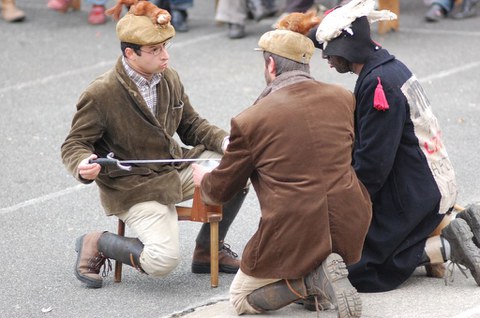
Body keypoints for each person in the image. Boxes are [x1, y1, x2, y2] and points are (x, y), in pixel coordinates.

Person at [192, 12, 372, 317]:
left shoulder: (251, 119)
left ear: (271, 65)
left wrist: (204, 179)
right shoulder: (343, 98)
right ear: (306, 64)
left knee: (240, 299)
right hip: (350, 219)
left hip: (293, 229)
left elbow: (220, 191)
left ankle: (309, 282)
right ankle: (319, 275)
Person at [61, 0, 247, 289]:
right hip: (133, 187)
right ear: (130, 53)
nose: (165, 56)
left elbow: (191, 125)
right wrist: (82, 163)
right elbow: (74, 143)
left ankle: (208, 250)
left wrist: (226, 142)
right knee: (162, 262)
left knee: (238, 168)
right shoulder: (101, 92)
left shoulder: (168, 77)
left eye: (165, 46)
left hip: (172, 171)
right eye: (155, 50)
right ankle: (98, 241)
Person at [310, 0, 480, 292]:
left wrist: (346, 206)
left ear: (347, 48)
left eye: (329, 51)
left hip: (418, 194)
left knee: (359, 271)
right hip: (426, 182)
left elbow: (374, 165)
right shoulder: (389, 66)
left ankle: (448, 244)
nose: (326, 59)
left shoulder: (379, 84)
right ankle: (462, 225)